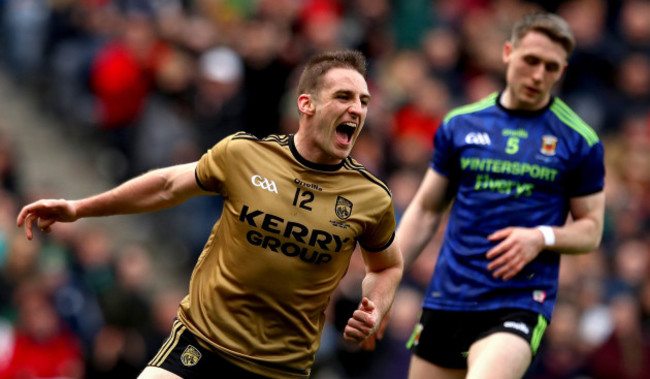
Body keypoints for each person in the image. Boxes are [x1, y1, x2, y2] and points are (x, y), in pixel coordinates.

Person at [16, 50, 403, 379]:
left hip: (279, 369)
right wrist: (80, 208)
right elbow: (167, 185)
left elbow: (386, 266)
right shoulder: (244, 155)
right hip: (202, 343)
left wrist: (376, 306)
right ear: (307, 104)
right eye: (344, 96)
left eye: (364, 101)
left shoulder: (370, 197)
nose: (357, 108)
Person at [396, 12, 605, 379]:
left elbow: (591, 229)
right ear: (508, 52)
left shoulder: (579, 141)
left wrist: (542, 237)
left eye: (551, 67)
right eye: (531, 60)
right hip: (449, 297)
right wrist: (385, 283)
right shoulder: (461, 124)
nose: (539, 75)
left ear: (563, 70)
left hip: (518, 302)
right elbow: (427, 209)